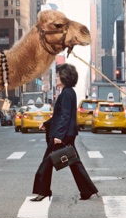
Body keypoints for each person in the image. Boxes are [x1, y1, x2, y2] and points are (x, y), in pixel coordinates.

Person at [31, 63, 98, 202]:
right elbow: (59, 115)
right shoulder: (67, 92)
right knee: (74, 163)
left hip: (63, 135)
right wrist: (46, 124)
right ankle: (87, 190)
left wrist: (58, 137)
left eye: (58, 76)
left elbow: (65, 116)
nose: (56, 79)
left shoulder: (67, 93)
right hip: (66, 134)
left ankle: (43, 191)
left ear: (65, 77)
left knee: (47, 163)